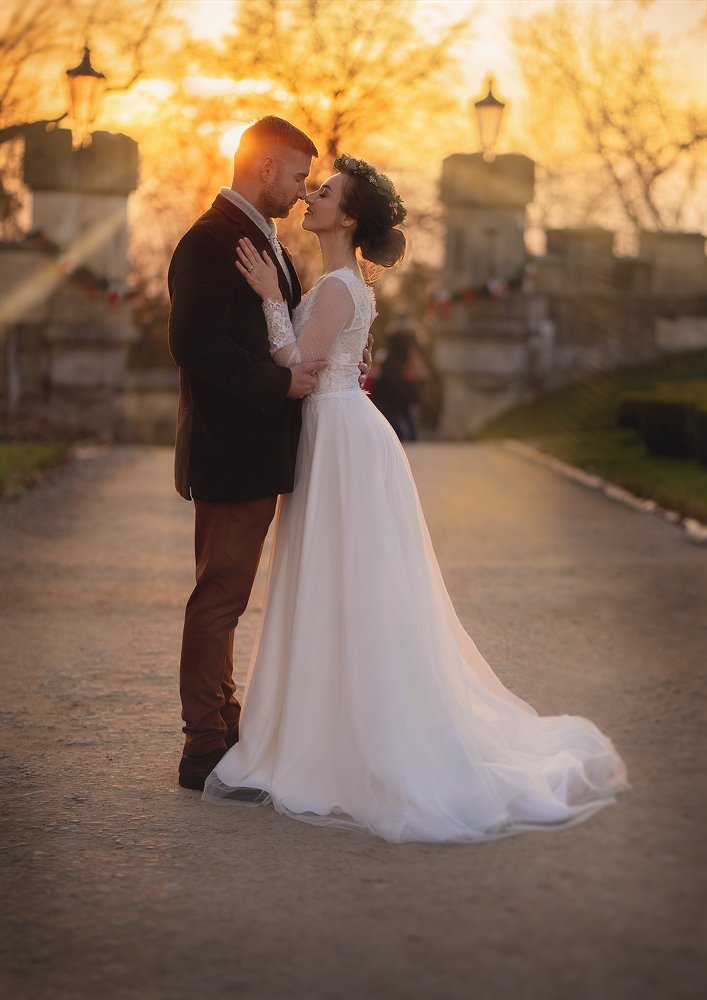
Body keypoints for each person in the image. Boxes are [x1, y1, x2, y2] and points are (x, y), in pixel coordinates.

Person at [203, 154, 629, 843]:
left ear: (348, 218)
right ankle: (328, 721)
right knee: (339, 583)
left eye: (325, 192)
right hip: (338, 433)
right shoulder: (340, 284)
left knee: (346, 584)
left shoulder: (337, 286)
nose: (311, 197)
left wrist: (271, 300)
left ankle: (349, 737)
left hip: (340, 438)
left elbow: (299, 366)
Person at [168, 117, 370, 791]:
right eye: (298, 176)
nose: (302, 189)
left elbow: (281, 331)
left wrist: (339, 349)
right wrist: (277, 384)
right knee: (220, 594)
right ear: (265, 169)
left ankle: (225, 725)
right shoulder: (211, 239)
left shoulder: (266, 241)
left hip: (260, 450)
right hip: (231, 449)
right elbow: (195, 346)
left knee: (229, 594)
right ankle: (203, 745)